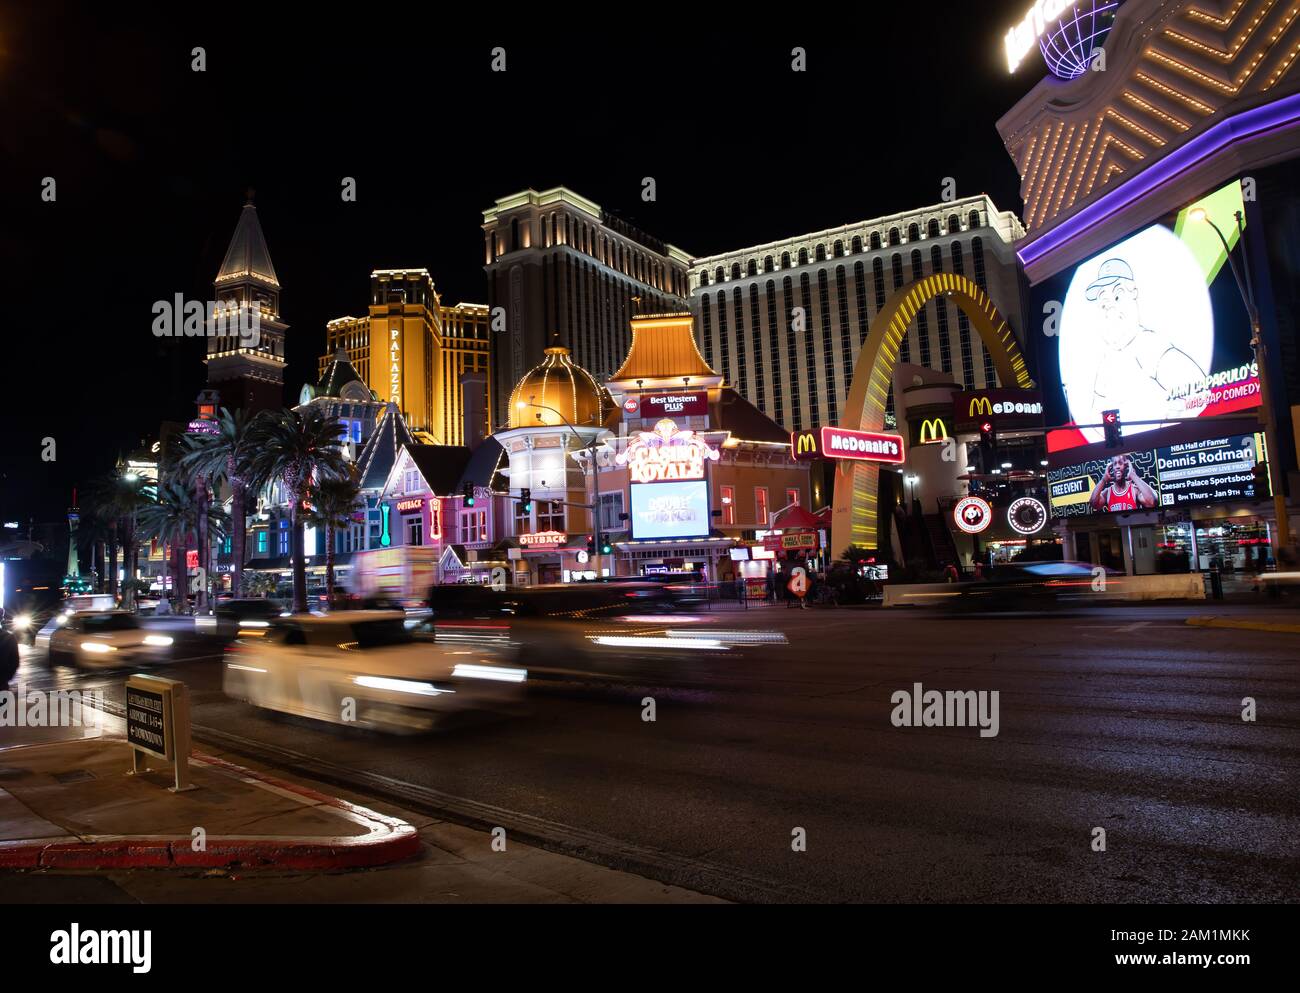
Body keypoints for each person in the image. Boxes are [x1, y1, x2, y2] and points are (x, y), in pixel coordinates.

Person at [1083, 257, 1207, 424]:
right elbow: (1096, 416)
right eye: (1104, 304)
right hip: (1125, 449)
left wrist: (1167, 430)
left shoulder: (1150, 346)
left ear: (1133, 292)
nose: (1111, 309)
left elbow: (1201, 395)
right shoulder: (1107, 362)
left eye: (1117, 297)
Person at [1089, 453, 1158, 513]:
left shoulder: (1134, 490)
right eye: (1115, 464)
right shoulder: (1108, 492)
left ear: (1126, 466)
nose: (1118, 467)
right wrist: (1103, 480)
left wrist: (1133, 475)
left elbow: (1152, 502)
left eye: (1120, 463)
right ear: (1111, 468)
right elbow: (1093, 504)